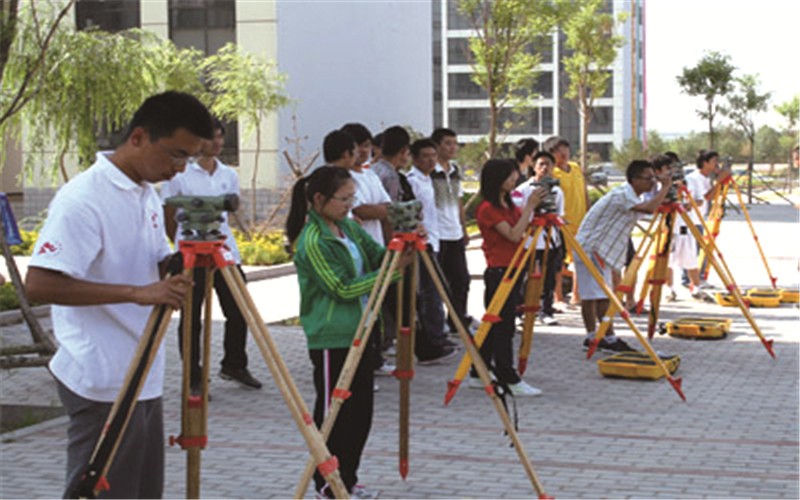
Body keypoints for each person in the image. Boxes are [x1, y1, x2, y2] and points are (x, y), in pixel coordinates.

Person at [24, 91, 213, 498]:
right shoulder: (84, 199)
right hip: (102, 378)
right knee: (104, 492)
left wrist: (173, 266)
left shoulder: (146, 189)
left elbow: (149, 258)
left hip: (142, 370)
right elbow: (39, 283)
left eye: (188, 159)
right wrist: (137, 292)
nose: (178, 168)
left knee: (142, 492)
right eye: (175, 155)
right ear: (139, 137)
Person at [286, 166, 415, 499]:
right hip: (333, 337)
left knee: (360, 416)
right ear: (319, 199)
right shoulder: (313, 241)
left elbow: (376, 257)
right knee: (334, 417)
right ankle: (328, 485)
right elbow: (341, 289)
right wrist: (390, 270)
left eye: (351, 198)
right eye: (343, 199)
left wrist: (402, 248)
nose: (349, 205)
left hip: (363, 329)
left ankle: (349, 479)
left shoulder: (347, 228)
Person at [161, 118, 262, 395]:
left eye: (220, 137)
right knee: (192, 317)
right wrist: (180, 244)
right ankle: (193, 376)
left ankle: (234, 364)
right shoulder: (180, 174)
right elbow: (169, 214)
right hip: (190, 251)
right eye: (210, 138)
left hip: (224, 249)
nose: (216, 143)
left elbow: (229, 211)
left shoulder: (228, 174)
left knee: (239, 308)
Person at [576, 159, 671, 353]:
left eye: (654, 178)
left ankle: (596, 337)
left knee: (596, 295)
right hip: (592, 248)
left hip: (599, 249)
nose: (652, 182)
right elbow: (648, 209)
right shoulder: (622, 194)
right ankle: (605, 338)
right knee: (600, 295)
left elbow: (649, 207)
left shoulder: (632, 196)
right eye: (648, 178)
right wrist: (665, 187)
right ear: (635, 180)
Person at [468, 159, 546, 396]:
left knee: (494, 325)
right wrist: (530, 208)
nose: (515, 180)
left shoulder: (509, 204)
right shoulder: (487, 208)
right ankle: (507, 375)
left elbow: (522, 228)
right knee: (503, 326)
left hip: (514, 267)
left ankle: (477, 371)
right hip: (500, 271)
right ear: (497, 179)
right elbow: (513, 235)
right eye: (511, 176)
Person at [323, 129, 394, 378]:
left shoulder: (368, 175)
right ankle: (348, 368)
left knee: (372, 308)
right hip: (343, 254)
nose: (364, 153)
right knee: (352, 308)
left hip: (368, 249)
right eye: (358, 148)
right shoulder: (332, 180)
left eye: (367, 146)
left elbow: (386, 208)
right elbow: (361, 211)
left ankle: (371, 360)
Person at [406, 138, 459, 362]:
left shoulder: (431, 179)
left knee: (437, 289)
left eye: (432, 156)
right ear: (414, 158)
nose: (430, 160)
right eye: (425, 156)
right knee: (430, 292)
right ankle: (433, 338)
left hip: (435, 239)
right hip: (421, 242)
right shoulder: (413, 181)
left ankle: (438, 334)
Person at [431, 127, 476, 334]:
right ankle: (436, 325)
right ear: (437, 146)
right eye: (447, 143)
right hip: (437, 235)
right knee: (436, 283)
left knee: (461, 280)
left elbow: (458, 201)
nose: (452, 147)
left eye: (454, 143)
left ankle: (457, 321)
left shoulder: (455, 170)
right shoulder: (430, 172)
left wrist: (464, 229)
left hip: (455, 233)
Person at [514, 151, 565, 326]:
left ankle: (546, 310)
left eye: (548, 164)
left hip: (550, 240)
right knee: (524, 276)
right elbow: (517, 214)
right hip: (529, 240)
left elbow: (559, 214)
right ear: (534, 167)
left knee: (549, 277)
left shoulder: (557, 190)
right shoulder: (522, 190)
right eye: (541, 164)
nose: (544, 168)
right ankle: (519, 311)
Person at [544, 136, 589, 308]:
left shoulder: (576, 168)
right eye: (558, 150)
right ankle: (558, 297)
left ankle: (577, 296)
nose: (563, 153)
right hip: (561, 223)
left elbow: (584, 193)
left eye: (565, 149)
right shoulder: (552, 173)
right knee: (558, 261)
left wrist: (589, 212)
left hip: (581, 222)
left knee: (581, 260)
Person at [683, 149, 727, 286]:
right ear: (704, 163)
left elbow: (710, 197)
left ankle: (698, 277)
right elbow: (701, 199)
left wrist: (722, 183)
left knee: (701, 250)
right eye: (714, 162)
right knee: (690, 251)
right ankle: (688, 280)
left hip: (700, 219)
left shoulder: (706, 179)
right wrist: (718, 181)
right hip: (689, 221)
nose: (716, 165)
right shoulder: (692, 179)